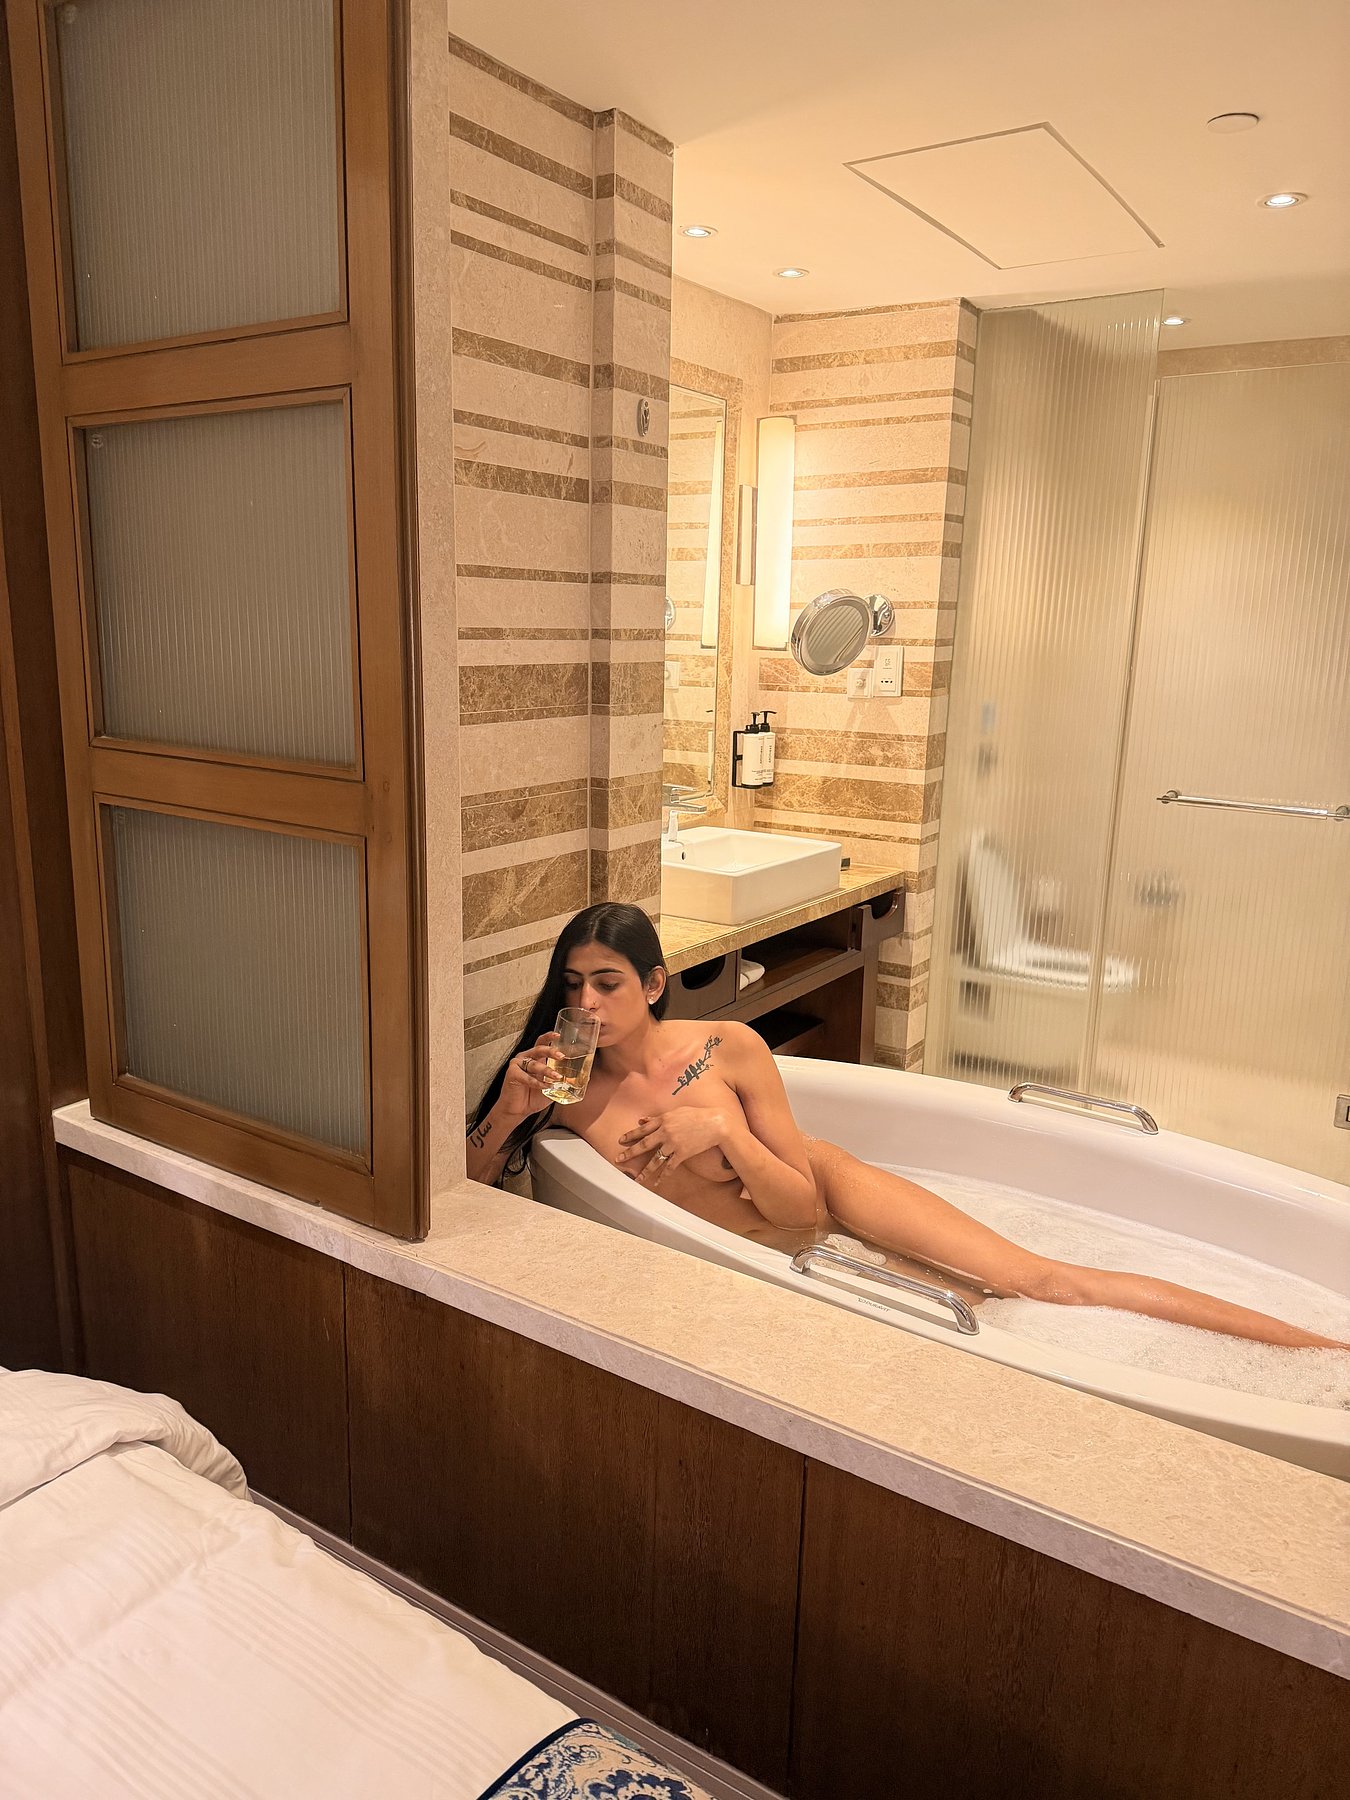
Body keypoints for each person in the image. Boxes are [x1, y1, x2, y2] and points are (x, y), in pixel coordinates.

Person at [467, 903, 1346, 1350]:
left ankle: (1317, 1347)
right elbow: (465, 1194)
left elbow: (803, 1206)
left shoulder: (727, 1048)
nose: (588, 1004)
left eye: (609, 983)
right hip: (771, 1259)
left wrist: (723, 1137)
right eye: (574, 985)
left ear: (655, 984)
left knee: (1040, 1283)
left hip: (821, 1195)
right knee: (985, 1323)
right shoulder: (562, 1089)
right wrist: (507, 1111)